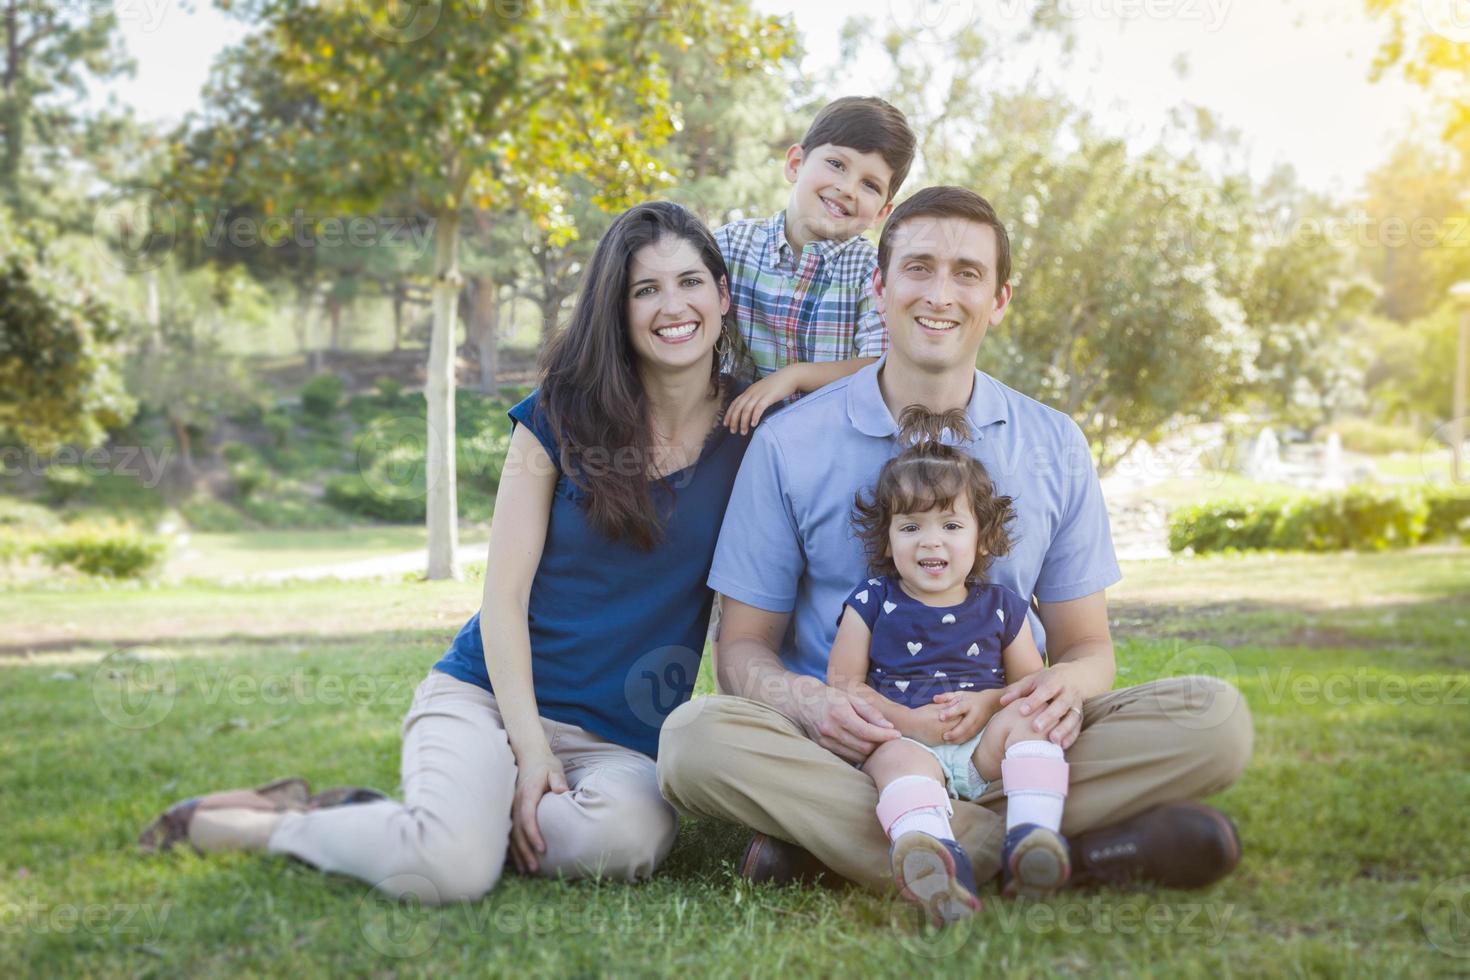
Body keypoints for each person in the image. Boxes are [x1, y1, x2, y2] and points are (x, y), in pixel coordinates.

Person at [138, 202, 755, 904]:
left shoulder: (754, 433)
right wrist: (529, 749)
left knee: (626, 841)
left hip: (620, 743)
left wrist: (800, 379)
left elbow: (883, 377)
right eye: (645, 290)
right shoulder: (559, 415)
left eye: (690, 282)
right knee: (449, 873)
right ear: (616, 309)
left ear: (723, 295)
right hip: (489, 698)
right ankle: (277, 824)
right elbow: (503, 596)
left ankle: (431, 819)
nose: (672, 306)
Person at [657, 185, 1253, 898]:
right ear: (879, 287)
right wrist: (812, 704)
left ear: (998, 299)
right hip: (855, 751)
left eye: (967, 273)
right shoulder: (789, 442)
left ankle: (865, 848)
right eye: (918, 268)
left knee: (1215, 719)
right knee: (694, 741)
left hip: (1011, 743)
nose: (940, 293)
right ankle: (1061, 847)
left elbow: (1088, 648)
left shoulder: (1053, 442)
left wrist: (1056, 688)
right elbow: (742, 651)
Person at [828, 405, 1073, 926]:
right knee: (896, 763)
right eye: (911, 525)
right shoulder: (871, 600)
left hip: (982, 748)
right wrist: (910, 724)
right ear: (887, 539)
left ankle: (1032, 840)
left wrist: (988, 704)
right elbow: (844, 687)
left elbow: (1031, 684)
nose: (930, 540)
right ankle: (937, 863)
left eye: (951, 524)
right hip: (906, 740)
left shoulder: (1003, 606)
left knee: (1033, 720)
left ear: (982, 537)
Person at [719, 96, 918, 435]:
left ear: (882, 213)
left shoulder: (871, 272)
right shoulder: (732, 246)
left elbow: (883, 368)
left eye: (870, 185)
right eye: (837, 164)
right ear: (795, 163)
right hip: (734, 435)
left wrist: (794, 376)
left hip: (830, 443)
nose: (846, 188)